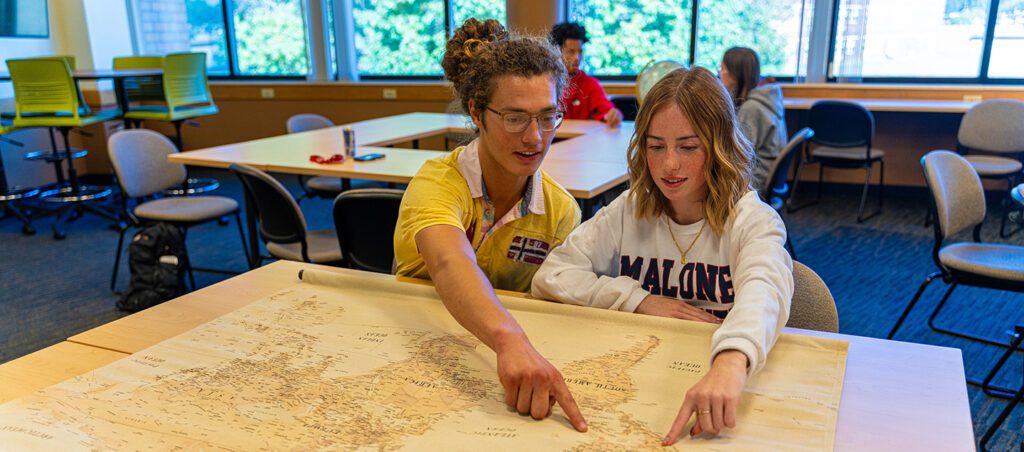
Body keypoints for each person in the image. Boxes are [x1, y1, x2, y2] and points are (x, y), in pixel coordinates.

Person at [531, 67, 792, 445]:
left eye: (688, 147)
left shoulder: (751, 221)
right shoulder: (630, 210)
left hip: (718, 377)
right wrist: (638, 300)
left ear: (719, 146)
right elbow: (551, 275)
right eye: (656, 146)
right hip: (643, 378)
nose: (670, 164)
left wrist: (732, 362)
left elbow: (764, 292)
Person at [393, 18, 587, 432]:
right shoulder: (438, 183)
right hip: (420, 356)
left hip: (503, 371)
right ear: (477, 113)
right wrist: (509, 341)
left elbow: (566, 300)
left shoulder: (561, 212)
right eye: (515, 118)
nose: (535, 138)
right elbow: (449, 263)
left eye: (548, 116)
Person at [719, 47, 787, 191]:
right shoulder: (767, 98)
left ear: (735, 75)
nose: (720, 74)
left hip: (755, 179)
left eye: (723, 69)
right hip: (765, 174)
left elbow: (738, 156)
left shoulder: (751, 108)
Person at [550, 22, 623, 127]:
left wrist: (613, 114)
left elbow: (605, 109)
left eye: (580, 52)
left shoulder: (589, 84)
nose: (577, 58)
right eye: (571, 52)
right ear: (556, 52)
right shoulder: (545, 83)